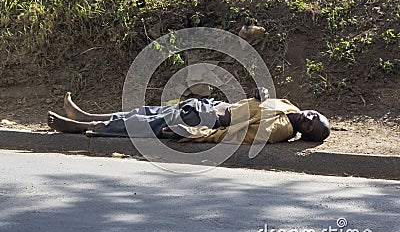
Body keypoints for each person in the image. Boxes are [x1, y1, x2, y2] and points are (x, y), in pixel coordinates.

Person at [47, 88, 330, 143]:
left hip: (205, 120)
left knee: (141, 125)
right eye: (316, 116)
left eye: (313, 126)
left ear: (305, 135)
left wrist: (192, 135)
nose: (311, 118)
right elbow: (257, 103)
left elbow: (231, 136)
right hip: (209, 105)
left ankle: (80, 128)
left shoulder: (281, 129)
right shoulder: (290, 108)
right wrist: (261, 94)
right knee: (144, 112)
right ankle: (86, 115)